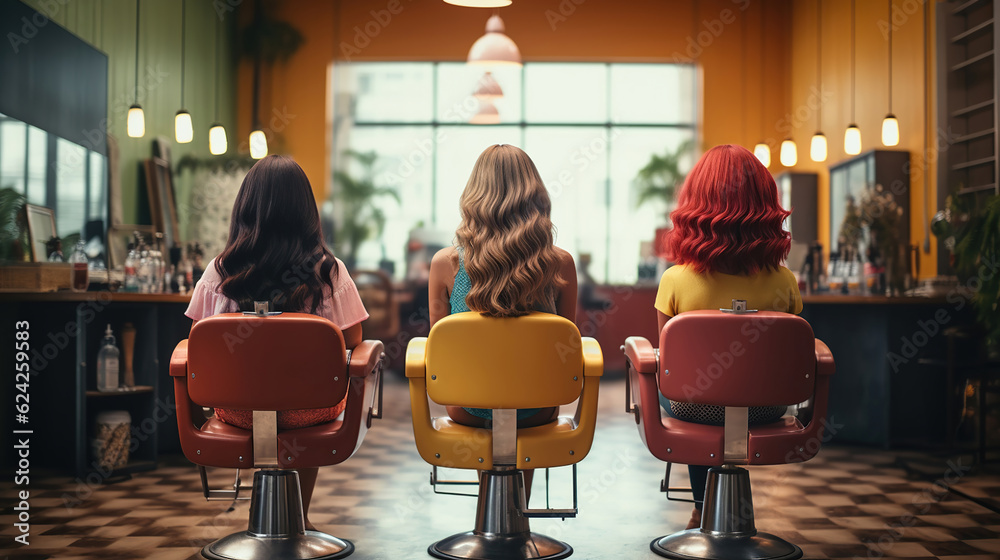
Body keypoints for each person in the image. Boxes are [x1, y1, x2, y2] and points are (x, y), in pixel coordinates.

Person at [185, 155, 368, 531]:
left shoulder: (220, 271)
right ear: (306, 212)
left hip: (237, 411)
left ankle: (271, 522)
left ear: (245, 208)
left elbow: (200, 342)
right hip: (309, 410)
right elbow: (353, 342)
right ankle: (296, 518)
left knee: (270, 401)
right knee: (313, 396)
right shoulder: (328, 272)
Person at [653, 144, 803, 530]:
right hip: (767, 409)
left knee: (691, 391)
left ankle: (704, 507)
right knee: (736, 391)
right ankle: (725, 512)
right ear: (765, 206)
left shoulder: (675, 281)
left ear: (695, 205)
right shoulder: (785, 282)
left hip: (692, 407)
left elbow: (670, 369)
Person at [428, 144, 577, 497]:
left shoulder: (445, 264)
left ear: (473, 197)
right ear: (536, 196)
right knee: (526, 395)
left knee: (481, 389)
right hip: (538, 408)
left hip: (467, 408)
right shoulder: (560, 264)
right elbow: (567, 348)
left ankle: (494, 519)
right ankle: (516, 517)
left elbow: (439, 352)